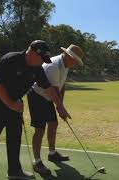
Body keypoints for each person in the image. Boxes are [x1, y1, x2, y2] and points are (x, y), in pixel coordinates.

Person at [0, 40, 70, 180]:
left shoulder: (37, 68)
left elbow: (49, 89)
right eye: (41, 58)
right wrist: (11, 104)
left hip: (15, 103)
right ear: (32, 53)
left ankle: (14, 171)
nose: (42, 63)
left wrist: (60, 106)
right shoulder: (11, 59)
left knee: (15, 138)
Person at [27, 44, 84, 175]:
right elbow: (53, 91)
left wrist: (61, 105)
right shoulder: (54, 66)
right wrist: (60, 108)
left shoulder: (66, 65)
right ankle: (37, 162)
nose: (75, 63)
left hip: (48, 95)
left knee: (53, 123)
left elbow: (61, 86)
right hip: (37, 95)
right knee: (39, 129)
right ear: (67, 56)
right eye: (74, 59)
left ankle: (52, 154)